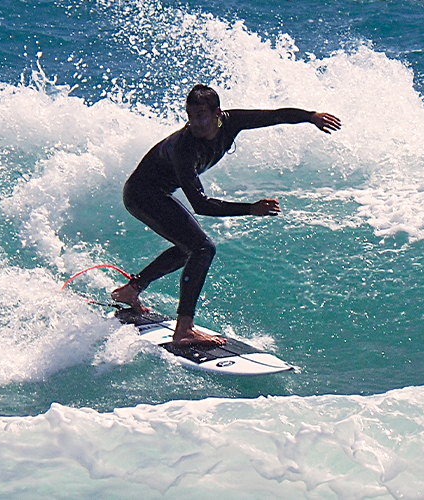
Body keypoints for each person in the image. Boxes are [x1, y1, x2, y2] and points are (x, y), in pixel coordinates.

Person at [111, 84, 341, 348]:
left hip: (158, 192)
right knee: (202, 248)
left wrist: (310, 117)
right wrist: (250, 208)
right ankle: (184, 330)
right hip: (142, 195)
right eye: (190, 116)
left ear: (217, 114)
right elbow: (200, 204)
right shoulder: (184, 147)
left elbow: (274, 116)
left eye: (201, 116)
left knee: (189, 248)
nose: (194, 123)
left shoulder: (231, 122)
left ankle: (131, 291)